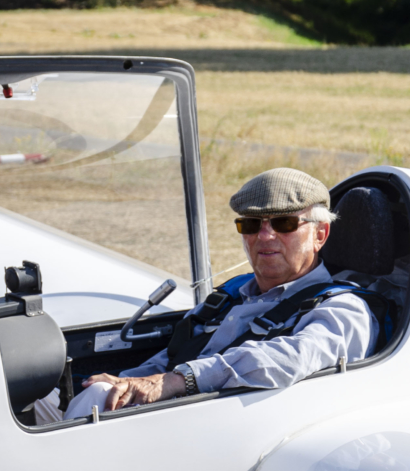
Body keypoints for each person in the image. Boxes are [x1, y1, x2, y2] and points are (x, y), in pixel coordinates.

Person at [66, 167, 380, 418]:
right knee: (64, 393)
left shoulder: (342, 309)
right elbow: (177, 354)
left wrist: (180, 380)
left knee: (94, 402)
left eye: (284, 224)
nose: (265, 236)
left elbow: (292, 358)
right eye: (252, 224)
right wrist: (127, 380)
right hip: (188, 422)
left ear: (319, 235)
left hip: (236, 434)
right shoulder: (230, 294)